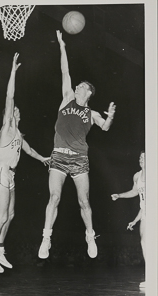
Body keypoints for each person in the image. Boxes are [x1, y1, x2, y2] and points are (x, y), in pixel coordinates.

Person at [38, 30, 116, 260]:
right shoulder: (66, 99)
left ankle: (90, 235)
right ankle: (46, 237)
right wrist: (62, 45)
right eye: (77, 85)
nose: (77, 88)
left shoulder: (91, 113)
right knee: (54, 197)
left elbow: (105, 127)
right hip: (59, 156)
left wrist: (110, 116)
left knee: (84, 201)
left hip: (80, 158)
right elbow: (65, 70)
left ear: (88, 92)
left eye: (81, 86)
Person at [0, 53, 50, 273]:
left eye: (16, 111)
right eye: (13, 111)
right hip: (0, 172)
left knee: (10, 215)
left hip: (10, 175)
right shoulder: (8, 128)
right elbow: (10, 97)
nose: (16, 110)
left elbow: (28, 149)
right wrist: (13, 71)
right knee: (1, 215)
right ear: (9, 116)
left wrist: (43, 159)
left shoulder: (18, 135)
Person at [111, 151, 145, 288]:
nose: (141, 159)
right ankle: (151, 275)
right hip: (145, 211)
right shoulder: (137, 176)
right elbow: (134, 192)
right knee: (144, 241)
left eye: (144, 157)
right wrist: (119, 195)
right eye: (140, 157)